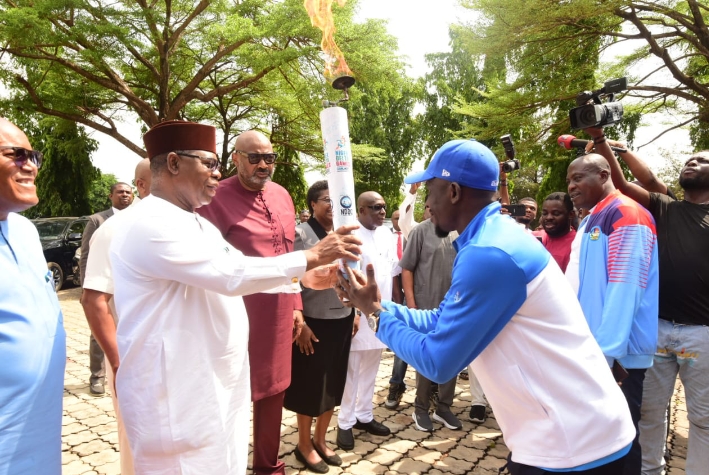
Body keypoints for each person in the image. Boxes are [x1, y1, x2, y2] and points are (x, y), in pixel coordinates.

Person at [338, 138, 635, 474]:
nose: (428, 202)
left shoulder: (489, 252)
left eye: (430, 189)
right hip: (569, 433)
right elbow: (440, 319)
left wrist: (376, 316)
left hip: (573, 445)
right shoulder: (492, 237)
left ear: (453, 191)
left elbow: (438, 361)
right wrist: (380, 306)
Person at [109, 120, 361, 475]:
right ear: (174, 163)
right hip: (176, 396)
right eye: (209, 163)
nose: (217, 173)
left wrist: (305, 278)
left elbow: (238, 267)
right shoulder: (150, 223)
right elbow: (230, 275)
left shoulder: (193, 221)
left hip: (212, 387)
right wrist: (312, 256)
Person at [586, 130, 709, 475]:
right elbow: (627, 184)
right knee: (649, 412)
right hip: (658, 330)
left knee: (703, 419)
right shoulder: (667, 206)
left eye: (702, 160)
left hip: (702, 334)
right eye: (689, 159)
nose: (692, 162)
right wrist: (602, 141)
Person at [197, 129, 303, 475]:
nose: (263, 165)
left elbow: (289, 256)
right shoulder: (215, 197)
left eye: (269, 158)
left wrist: (297, 306)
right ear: (236, 159)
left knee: (274, 393)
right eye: (254, 157)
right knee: (232, 394)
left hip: (279, 314)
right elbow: (207, 264)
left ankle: (267, 467)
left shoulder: (282, 195)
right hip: (236, 315)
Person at [565, 153, 659, 474]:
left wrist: (606, 358)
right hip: (593, 352)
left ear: (604, 175)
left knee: (619, 446)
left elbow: (625, 289)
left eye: (578, 178)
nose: (571, 186)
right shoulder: (593, 218)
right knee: (597, 443)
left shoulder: (627, 214)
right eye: (569, 180)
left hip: (618, 360)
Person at [0, 118, 65, 474]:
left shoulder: (25, 230)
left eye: (34, 156)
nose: (31, 166)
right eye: (17, 154)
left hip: (42, 439)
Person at [80, 158, 151, 475]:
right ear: (143, 184)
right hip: (130, 351)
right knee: (137, 445)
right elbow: (92, 293)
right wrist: (120, 365)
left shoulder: (187, 225)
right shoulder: (108, 227)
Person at [284, 181, 356, 474]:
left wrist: (356, 311)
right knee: (309, 386)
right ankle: (303, 444)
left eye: (336, 200)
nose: (332, 205)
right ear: (312, 204)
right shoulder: (301, 234)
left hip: (343, 319)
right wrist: (299, 321)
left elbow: (352, 273)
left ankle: (320, 440)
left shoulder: (343, 234)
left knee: (333, 385)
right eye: (327, 199)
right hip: (312, 322)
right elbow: (289, 280)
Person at [336, 191, 398, 451]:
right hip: (358, 316)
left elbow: (393, 272)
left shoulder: (386, 234)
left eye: (384, 207)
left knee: (372, 368)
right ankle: (345, 422)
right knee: (352, 372)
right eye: (375, 207)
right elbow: (345, 278)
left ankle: (364, 415)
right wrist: (355, 314)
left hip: (381, 312)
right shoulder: (350, 236)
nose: (382, 212)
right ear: (361, 210)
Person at [400, 215, 462, 432]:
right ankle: (420, 408)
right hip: (425, 307)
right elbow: (407, 268)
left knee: (453, 356)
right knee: (426, 357)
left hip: (454, 307)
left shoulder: (460, 229)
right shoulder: (420, 231)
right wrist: (411, 304)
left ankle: (443, 407)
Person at [79, 181, 133, 396]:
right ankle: (97, 376)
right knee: (99, 332)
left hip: (125, 286)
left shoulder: (138, 219)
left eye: (128, 192)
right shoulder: (98, 220)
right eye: (120, 192)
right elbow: (86, 256)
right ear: (111, 196)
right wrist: (86, 288)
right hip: (101, 284)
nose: (125, 195)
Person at [537, 192, 576, 272]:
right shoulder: (534, 238)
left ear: (570, 215)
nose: (548, 217)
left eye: (556, 213)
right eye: (545, 213)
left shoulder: (577, 243)